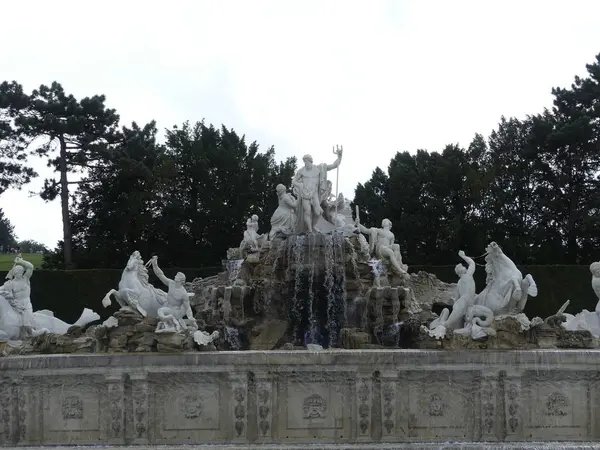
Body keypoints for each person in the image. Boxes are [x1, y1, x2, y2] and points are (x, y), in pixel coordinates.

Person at [292, 149, 342, 233]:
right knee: (307, 211)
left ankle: (312, 226)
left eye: (307, 161)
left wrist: (340, 156)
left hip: (314, 193)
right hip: (304, 194)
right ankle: (310, 230)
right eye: (304, 162)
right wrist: (299, 185)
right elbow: (294, 181)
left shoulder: (319, 169)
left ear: (310, 161)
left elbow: (334, 165)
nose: (305, 163)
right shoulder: (301, 171)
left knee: (318, 212)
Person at [149, 256, 196, 333]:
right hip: (167, 306)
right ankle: (172, 323)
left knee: (161, 312)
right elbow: (160, 275)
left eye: (177, 276)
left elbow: (187, 308)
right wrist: (155, 264)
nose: (175, 276)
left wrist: (191, 317)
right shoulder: (171, 283)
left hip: (175, 310)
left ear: (180, 280)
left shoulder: (183, 293)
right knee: (159, 311)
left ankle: (174, 324)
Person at [0, 255, 35, 337]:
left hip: (26, 305)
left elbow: (31, 267)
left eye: (21, 271)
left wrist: (21, 261)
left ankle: (33, 334)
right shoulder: (10, 284)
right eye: (18, 272)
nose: (20, 273)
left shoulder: (25, 279)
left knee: (26, 324)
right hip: (16, 306)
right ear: (14, 273)